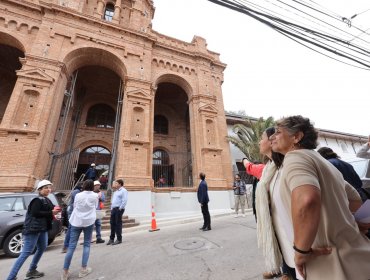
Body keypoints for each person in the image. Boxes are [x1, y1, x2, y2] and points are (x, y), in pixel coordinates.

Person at [270, 115, 370, 279]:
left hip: (329, 264)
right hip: (357, 258)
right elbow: (356, 198)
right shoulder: (323, 162)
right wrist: (357, 224)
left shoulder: (295, 157)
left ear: (297, 137)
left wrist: (301, 251)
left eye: (278, 132)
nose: (273, 137)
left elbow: (307, 200)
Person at [243, 128, 288, 280]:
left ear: (272, 141)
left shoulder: (284, 165)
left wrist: (244, 161)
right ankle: (282, 269)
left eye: (261, 138)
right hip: (272, 219)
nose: (258, 141)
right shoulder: (269, 167)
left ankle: (285, 271)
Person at [7, 180, 60, 280]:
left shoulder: (46, 199)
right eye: (46, 188)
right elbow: (35, 213)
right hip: (33, 229)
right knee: (26, 252)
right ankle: (11, 277)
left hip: (42, 229)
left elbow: (51, 209)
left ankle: (32, 270)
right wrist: (51, 212)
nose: (48, 189)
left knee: (42, 247)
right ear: (39, 190)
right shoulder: (36, 200)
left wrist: (56, 210)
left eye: (49, 187)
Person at [61, 179, 98, 280]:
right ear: (92, 186)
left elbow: (75, 206)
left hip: (76, 221)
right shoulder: (95, 195)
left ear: (84, 185)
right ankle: (83, 269)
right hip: (89, 222)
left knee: (71, 246)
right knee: (86, 244)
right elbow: (96, 206)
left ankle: (65, 272)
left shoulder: (78, 195)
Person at [62, 182, 83, 253]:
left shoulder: (77, 192)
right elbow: (78, 202)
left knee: (72, 229)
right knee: (71, 229)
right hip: (73, 213)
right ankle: (66, 246)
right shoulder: (76, 192)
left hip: (74, 213)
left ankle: (68, 245)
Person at [107, 179, 128, 245]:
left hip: (118, 209)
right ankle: (111, 238)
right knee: (112, 223)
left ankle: (119, 239)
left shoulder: (123, 191)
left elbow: (124, 200)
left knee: (118, 223)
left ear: (120, 184)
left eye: (116, 183)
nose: (114, 184)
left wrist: (120, 208)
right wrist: (111, 208)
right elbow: (113, 201)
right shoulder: (115, 191)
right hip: (114, 209)